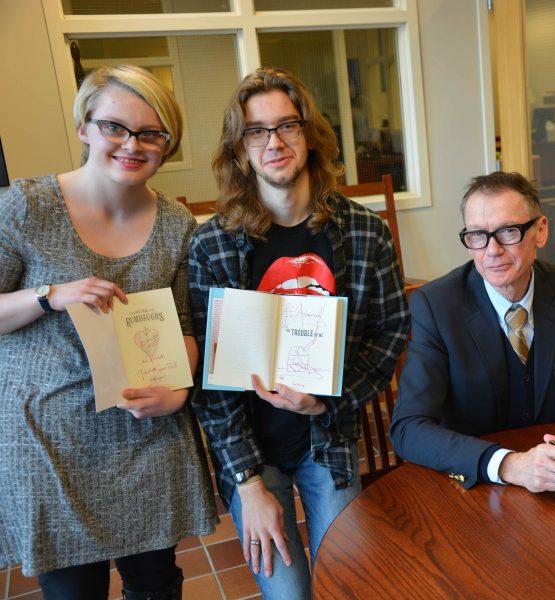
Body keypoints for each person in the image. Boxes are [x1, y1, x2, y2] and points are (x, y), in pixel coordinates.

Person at [188, 67, 409, 599]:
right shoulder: (213, 247)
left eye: (287, 125)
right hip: (253, 454)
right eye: (256, 130)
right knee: (289, 595)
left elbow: (391, 331)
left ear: (310, 134)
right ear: (240, 149)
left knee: (349, 587)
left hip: (329, 442)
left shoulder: (363, 230)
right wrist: (246, 484)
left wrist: (330, 402)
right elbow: (211, 385)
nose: (275, 141)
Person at [0, 65, 217, 599]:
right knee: (73, 590)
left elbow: (189, 328)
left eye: (151, 133)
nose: (131, 144)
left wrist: (179, 389)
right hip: (50, 443)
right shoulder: (26, 207)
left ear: (167, 145)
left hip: (145, 436)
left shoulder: (176, 225)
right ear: (84, 128)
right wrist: (49, 296)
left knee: (157, 585)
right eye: (114, 127)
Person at [390, 171, 555, 493]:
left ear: (540, 231)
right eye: (476, 235)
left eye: (508, 232)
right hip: (475, 488)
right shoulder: (436, 306)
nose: (492, 250)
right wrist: (509, 464)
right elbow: (408, 429)